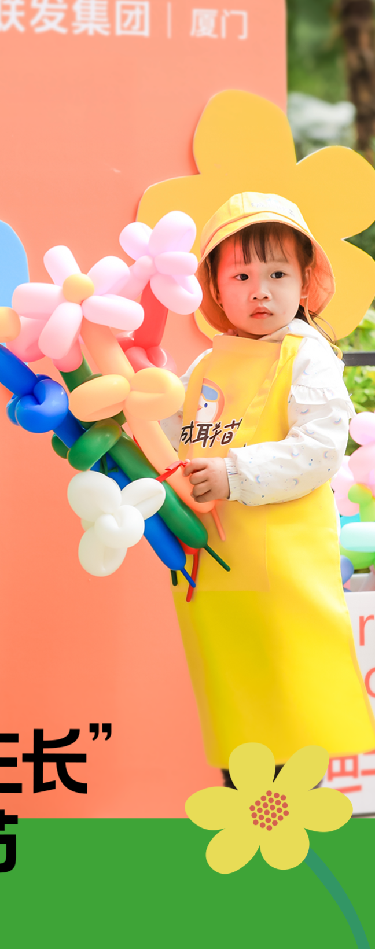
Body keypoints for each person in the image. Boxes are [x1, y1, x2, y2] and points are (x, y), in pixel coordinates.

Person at [160, 192, 375, 786]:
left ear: (304, 283)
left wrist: (233, 474)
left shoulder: (309, 358)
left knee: (289, 720)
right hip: (215, 572)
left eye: (278, 273)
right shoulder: (206, 366)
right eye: (242, 275)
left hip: (281, 575)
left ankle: (291, 849)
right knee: (238, 720)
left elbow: (320, 448)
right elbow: (168, 432)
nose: (261, 290)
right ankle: (254, 843)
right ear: (215, 289)